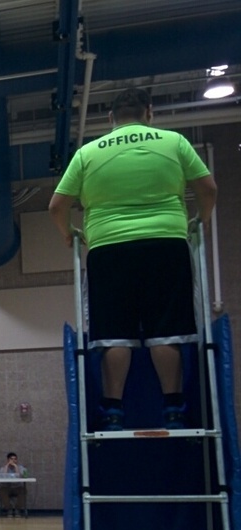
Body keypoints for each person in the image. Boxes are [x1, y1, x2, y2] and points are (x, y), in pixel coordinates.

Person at [48, 86, 217, 432]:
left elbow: (57, 206)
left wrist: (68, 232)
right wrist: (202, 218)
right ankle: (172, 406)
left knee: (114, 333)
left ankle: (113, 410)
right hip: (166, 243)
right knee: (165, 330)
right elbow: (208, 188)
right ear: (149, 113)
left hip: (108, 249)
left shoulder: (88, 153)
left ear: (110, 119)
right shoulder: (174, 143)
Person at [0, 452, 28, 518]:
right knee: (1, 491)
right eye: (11, 459)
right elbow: (2, 476)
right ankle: (9, 509)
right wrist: (7, 466)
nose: (13, 461)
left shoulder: (21, 468)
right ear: (8, 460)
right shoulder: (3, 468)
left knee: (24, 491)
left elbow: (20, 476)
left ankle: (17, 509)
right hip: (7, 487)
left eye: (15, 459)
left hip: (18, 487)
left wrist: (16, 466)